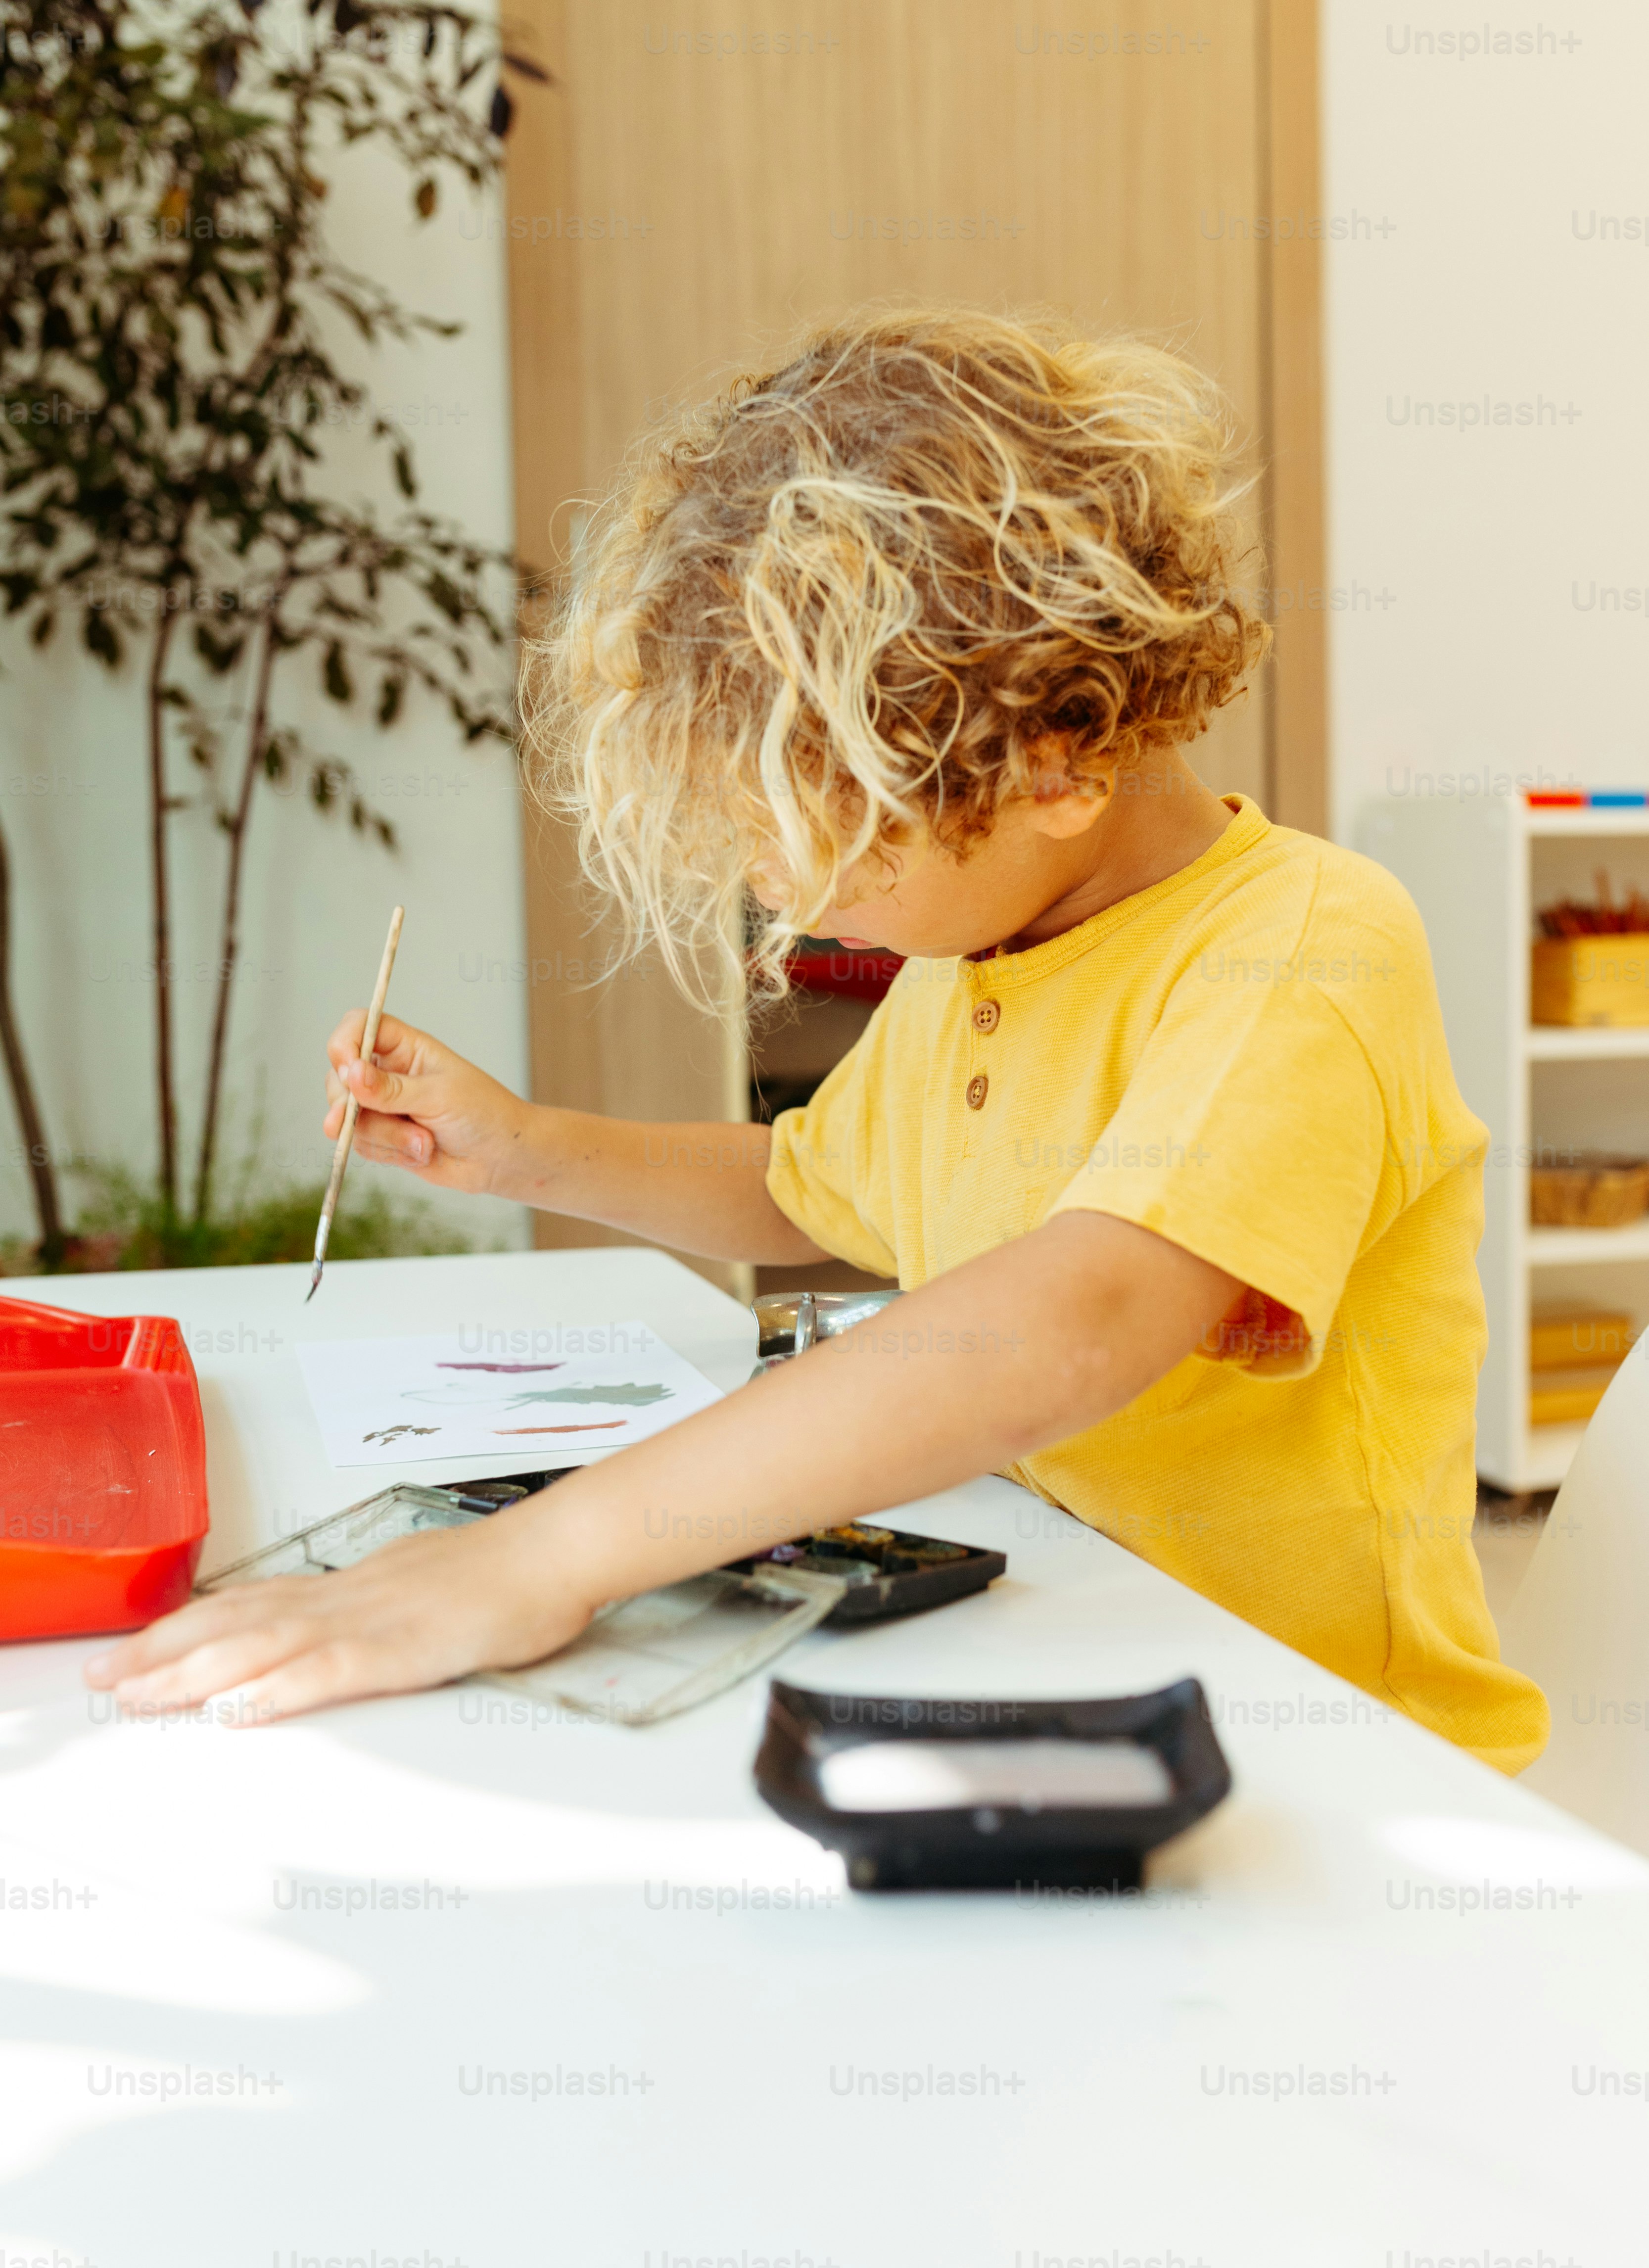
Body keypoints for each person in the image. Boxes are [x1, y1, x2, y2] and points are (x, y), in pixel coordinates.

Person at [88, 308, 1548, 1772]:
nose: (781, 890)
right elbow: (807, 1188)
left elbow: (1078, 1320)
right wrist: (526, 1147)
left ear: (1063, 756)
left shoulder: (1303, 949)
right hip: (1072, 1665)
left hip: (1338, 1747)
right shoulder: (976, 955)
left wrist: (547, 1557)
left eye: (835, 839)